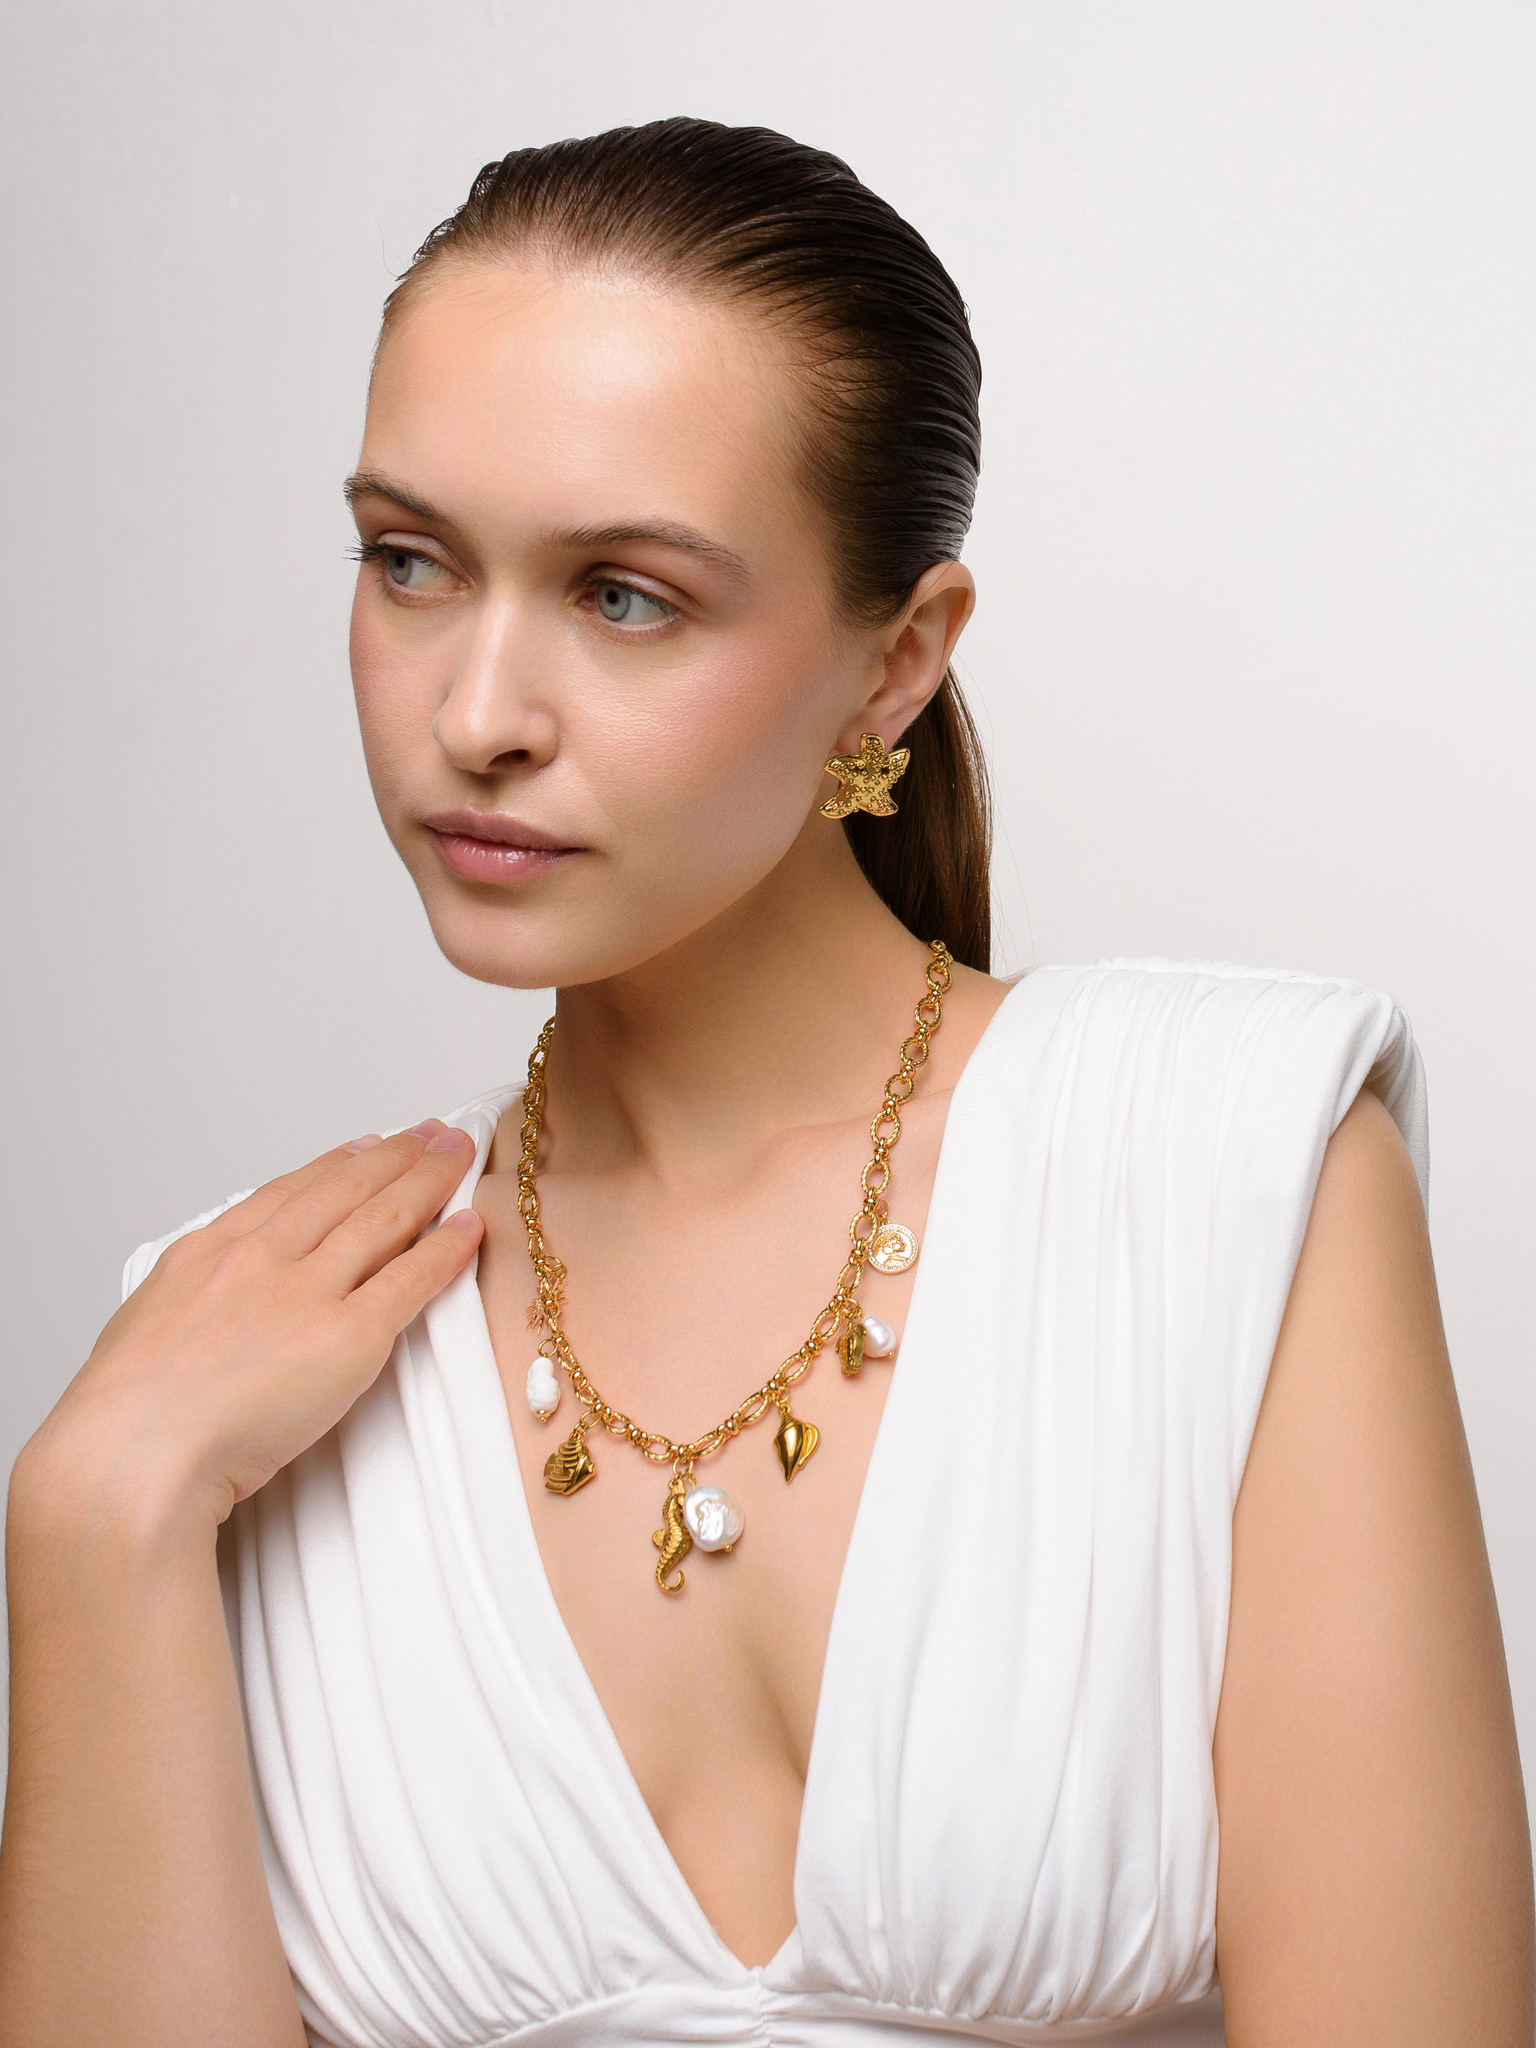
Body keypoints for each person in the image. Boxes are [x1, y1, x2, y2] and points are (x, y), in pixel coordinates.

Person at [0, 118, 1529, 2048]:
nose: (475, 715)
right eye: (410, 563)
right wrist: (94, 1520)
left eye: (624, 595)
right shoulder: (226, 1356)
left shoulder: (1219, 1170)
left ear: (897, 660)